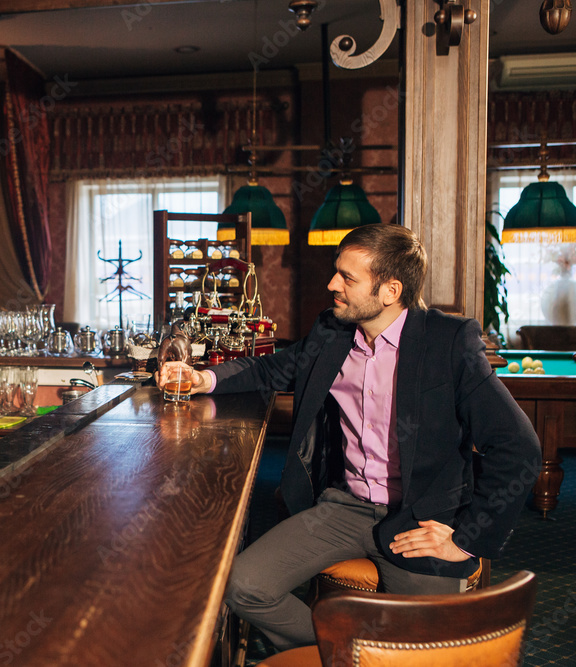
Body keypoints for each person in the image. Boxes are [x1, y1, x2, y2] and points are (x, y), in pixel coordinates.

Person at [158, 223, 541, 652]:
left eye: (347, 278)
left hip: (421, 518)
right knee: (241, 585)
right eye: (336, 271)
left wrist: (465, 538)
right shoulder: (333, 331)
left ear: (390, 291)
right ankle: (352, 652)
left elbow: (518, 447)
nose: (331, 284)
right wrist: (201, 377)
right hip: (343, 507)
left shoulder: (449, 343)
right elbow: (272, 369)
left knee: (425, 649)